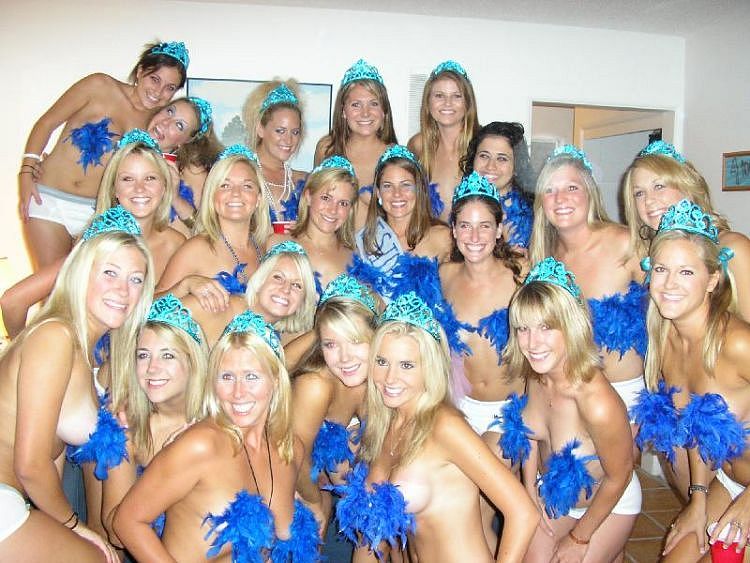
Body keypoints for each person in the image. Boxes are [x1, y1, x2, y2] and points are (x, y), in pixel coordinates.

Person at [330, 291, 538, 562]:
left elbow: (523, 513)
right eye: (382, 362)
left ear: (429, 367)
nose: (390, 377)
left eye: (407, 365)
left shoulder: (445, 427)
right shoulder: (386, 423)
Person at [0, 206, 154, 562]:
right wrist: (74, 526)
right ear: (82, 272)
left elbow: (51, 456)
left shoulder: (82, 350)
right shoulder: (55, 336)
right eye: (110, 272)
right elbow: (30, 464)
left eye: (136, 279)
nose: (123, 290)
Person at [113, 310, 321, 561]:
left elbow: (313, 507)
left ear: (276, 380)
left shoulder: (290, 449)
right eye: (227, 377)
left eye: (251, 376)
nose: (238, 392)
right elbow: (127, 521)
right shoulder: (201, 445)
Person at [630, 200, 750, 561]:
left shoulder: (738, 343)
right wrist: (698, 497)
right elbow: (695, 425)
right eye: (661, 269)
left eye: (686, 272)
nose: (669, 284)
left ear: (712, 279)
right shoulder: (666, 340)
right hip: (728, 482)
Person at [500, 257, 640, 562]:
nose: (532, 343)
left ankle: (611, 545)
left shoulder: (597, 401)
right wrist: (529, 491)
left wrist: (579, 538)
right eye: (523, 328)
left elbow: (620, 476)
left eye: (546, 328)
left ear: (571, 325)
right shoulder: (537, 373)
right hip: (552, 495)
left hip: (608, 505)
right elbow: (530, 434)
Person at [19, 41, 189, 271]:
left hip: (97, 213)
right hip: (48, 200)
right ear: (140, 71)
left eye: (169, 87)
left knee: (84, 284)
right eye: (154, 79)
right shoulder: (99, 86)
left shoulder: (155, 123)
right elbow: (47, 122)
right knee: (52, 285)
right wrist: (27, 170)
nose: (158, 92)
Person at [2, 130, 188, 338]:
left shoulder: (176, 244)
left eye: (150, 178)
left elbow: (161, 315)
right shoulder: (95, 243)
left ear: (165, 186)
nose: (139, 188)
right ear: (114, 189)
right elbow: (13, 301)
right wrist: (22, 349)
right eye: (127, 179)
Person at [438, 172, 527, 550]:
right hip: (457, 410)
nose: (474, 236)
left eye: (484, 226)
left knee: (474, 509)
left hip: (508, 414)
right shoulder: (444, 275)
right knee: (453, 513)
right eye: (465, 225)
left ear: (500, 229)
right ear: (454, 230)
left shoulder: (522, 274)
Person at [529, 145, 647, 431]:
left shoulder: (627, 244)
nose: (560, 199)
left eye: (571, 187)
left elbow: (666, 320)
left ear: (589, 192)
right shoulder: (542, 259)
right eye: (550, 190)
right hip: (567, 397)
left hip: (626, 399)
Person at [101, 293, 208, 545]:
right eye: (143, 355)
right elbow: (116, 533)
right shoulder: (126, 430)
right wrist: (168, 464)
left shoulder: (222, 422)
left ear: (193, 361)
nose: (152, 368)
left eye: (167, 355)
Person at [622, 140, 750, 321]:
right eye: (639, 193)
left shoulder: (733, 248)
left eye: (659, 186)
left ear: (687, 188)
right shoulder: (644, 253)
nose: (648, 201)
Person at [291, 274, 378, 533]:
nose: (344, 357)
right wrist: (314, 502)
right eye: (331, 344)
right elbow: (292, 456)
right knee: (308, 525)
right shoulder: (315, 386)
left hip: (328, 472)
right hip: (282, 466)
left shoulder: (384, 374)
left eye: (355, 340)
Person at [157, 144, 272, 305]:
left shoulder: (264, 249)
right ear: (212, 195)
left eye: (247, 186)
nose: (236, 193)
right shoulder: (196, 249)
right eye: (225, 185)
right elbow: (148, 307)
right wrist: (185, 285)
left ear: (258, 198)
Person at [354, 144, 451, 300]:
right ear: (378, 193)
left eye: (405, 185)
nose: (397, 194)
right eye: (387, 186)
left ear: (419, 189)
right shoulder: (365, 242)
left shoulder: (443, 237)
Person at [183, 240, 317, 347]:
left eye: (297, 285)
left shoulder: (275, 337)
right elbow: (168, 316)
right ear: (260, 280)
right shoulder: (219, 306)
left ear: (302, 301)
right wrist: (184, 285)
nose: (286, 289)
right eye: (278, 277)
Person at [314, 59, 397, 229]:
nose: (365, 113)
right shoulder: (327, 149)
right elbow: (315, 204)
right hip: (334, 242)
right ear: (343, 111)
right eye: (356, 105)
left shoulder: (395, 156)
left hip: (380, 244)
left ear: (384, 111)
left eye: (373, 104)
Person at [269, 155, 358, 290]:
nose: (333, 210)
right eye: (326, 198)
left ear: (350, 209)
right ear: (308, 196)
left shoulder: (353, 256)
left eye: (343, 203)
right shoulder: (277, 244)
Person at [408, 60, 479, 222]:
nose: (447, 103)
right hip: (430, 236)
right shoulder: (418, 145)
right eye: (439, 96)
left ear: (468, 103)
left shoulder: (483, 144)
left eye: (456, 96)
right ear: (428, 102)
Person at [243, 80, 307, 230]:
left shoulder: (304, 182)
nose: (288, 140)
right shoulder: (239, 174)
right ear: (260, 129)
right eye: (280, 131)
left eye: (295, 132)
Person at [461, 121, 534, 250]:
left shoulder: (536, 216)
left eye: (502, 159)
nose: (490, 166)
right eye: (484, 156)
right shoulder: (462, 204)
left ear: (517, 166)